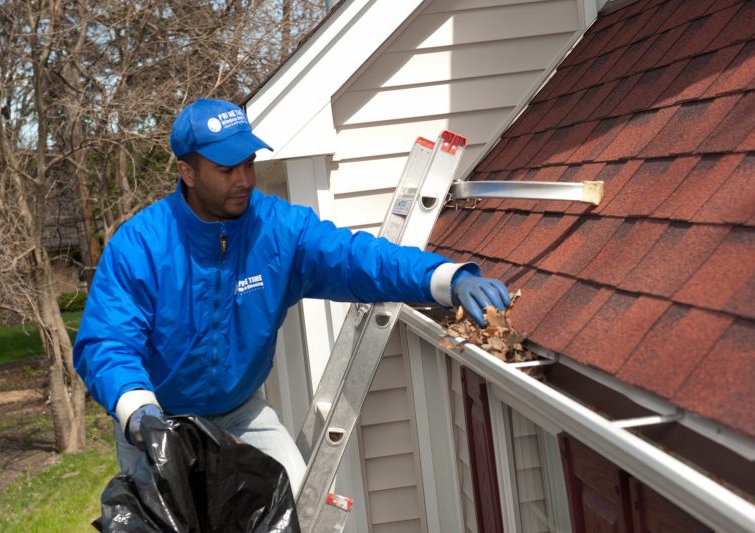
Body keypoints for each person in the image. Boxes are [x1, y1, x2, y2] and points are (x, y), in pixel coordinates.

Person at [73, 98, 509, 496]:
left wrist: (445, 278)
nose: (244, 180)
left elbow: (357, 258)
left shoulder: (279, 230)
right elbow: (107, 343)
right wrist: (138, 410)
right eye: (227, 171)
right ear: (187, 173)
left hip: (239, 413)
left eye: (248, 164)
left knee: (297, 501)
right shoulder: (141, 246)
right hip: (158, 423)